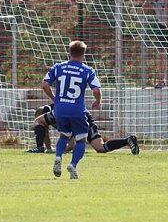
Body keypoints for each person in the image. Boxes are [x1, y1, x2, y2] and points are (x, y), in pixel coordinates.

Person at [41, 40, 101, 180]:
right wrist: (97, 102)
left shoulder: (58, 67)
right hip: (77, 109)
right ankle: (73, 165)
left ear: (70, 52)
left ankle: (57, 157)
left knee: (64, 136)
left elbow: (44, 84)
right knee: (81, 139)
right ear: (83, 54)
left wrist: (55, 98)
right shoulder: (87, 70)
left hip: (60, 109)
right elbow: (96, 89)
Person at [26, 104, 139, 155]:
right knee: (100, 147)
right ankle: (128, 140)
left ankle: (39, 147)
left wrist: (57, 150)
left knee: (39, 121)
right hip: (85, 117)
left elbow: (71, 146)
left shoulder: (57, 114)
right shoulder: (53, 113)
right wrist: (49, 148)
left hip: (79, 118)